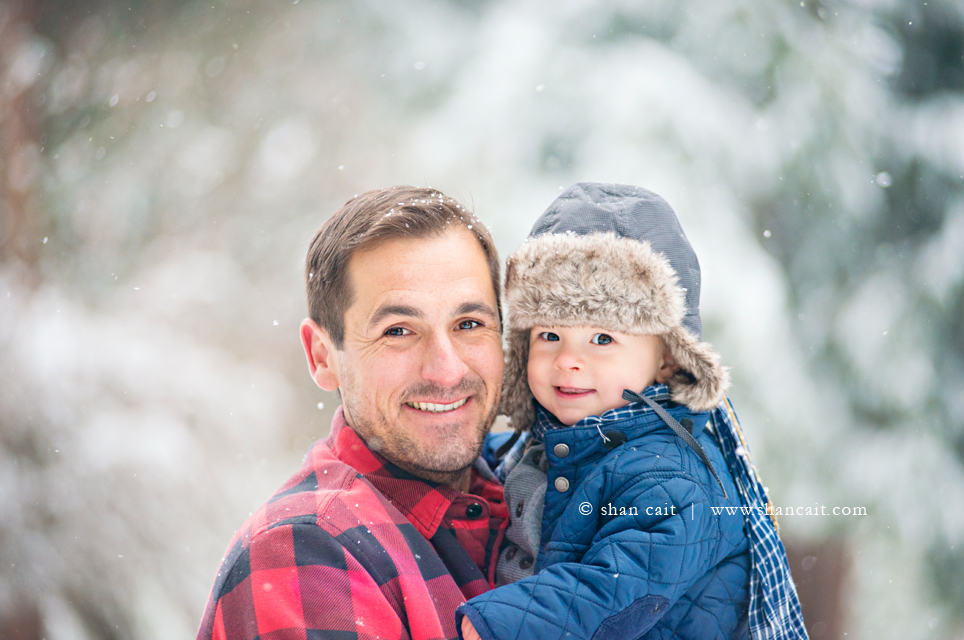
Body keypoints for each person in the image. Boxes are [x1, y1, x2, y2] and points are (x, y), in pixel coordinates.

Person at [458, 183, 808, 640]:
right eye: (549, 336)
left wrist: (489, 627)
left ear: (667, 358)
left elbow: (608, 593)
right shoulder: (536, 447)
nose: (568, 360)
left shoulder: (670, 476)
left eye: (602, 339)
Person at [196, 186, 510, 640]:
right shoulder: (304, 550)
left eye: (469, 324)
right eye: (398, 330)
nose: (446, 370)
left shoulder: (532, 496)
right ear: (322, 356)